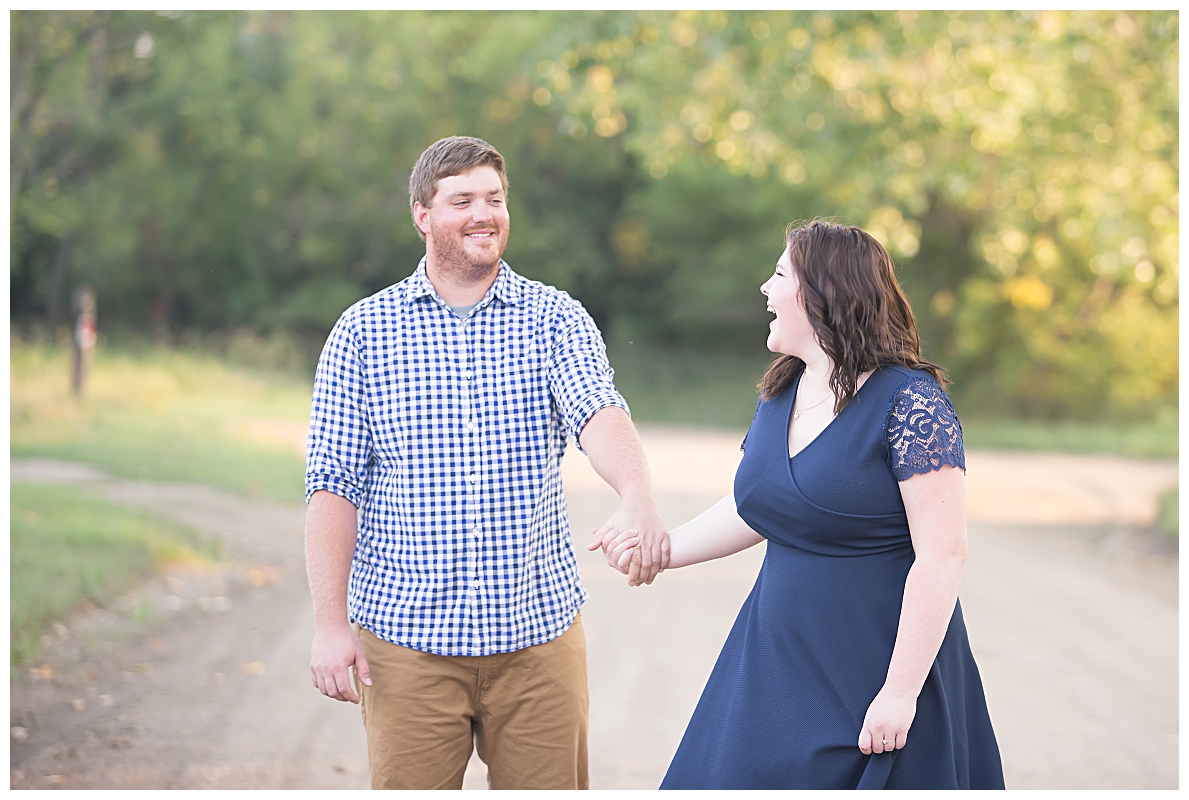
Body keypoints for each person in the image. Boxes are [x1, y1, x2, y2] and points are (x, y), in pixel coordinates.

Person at [304, 135, 669, 790]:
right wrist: (330, 625)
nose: (483, 213)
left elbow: (597, 411)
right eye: (462, 200)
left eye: (494, 199)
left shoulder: (555, 318)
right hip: (406, 644)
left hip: (537, 642)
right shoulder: (363, 333)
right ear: (422, 214)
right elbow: (333, 485)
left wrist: (635, 492)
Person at [595, 220, 1004, 789]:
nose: (764, 288)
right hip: (775, 665)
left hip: (875, 670)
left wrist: (900, 692)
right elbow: (758, 507)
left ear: (821, 293)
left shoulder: (911, 403)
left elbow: (943, 555)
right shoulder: (782, 390)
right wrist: (661, 549)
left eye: (780, 274)